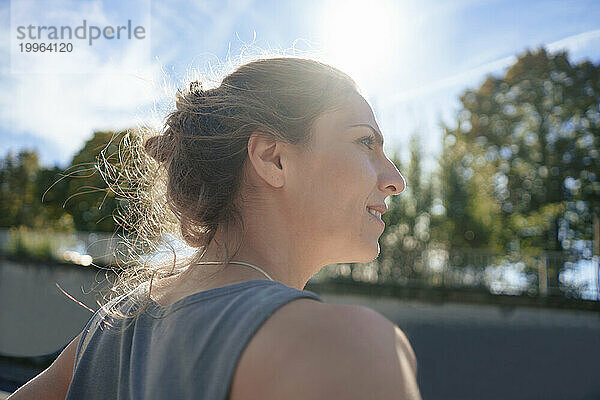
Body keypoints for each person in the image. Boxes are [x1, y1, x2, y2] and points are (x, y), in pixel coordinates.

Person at [8, 56, 422, 400]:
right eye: (366, 142)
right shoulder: (352, 349)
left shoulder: (107, 331)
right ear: (272, 158)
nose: (395, 179)